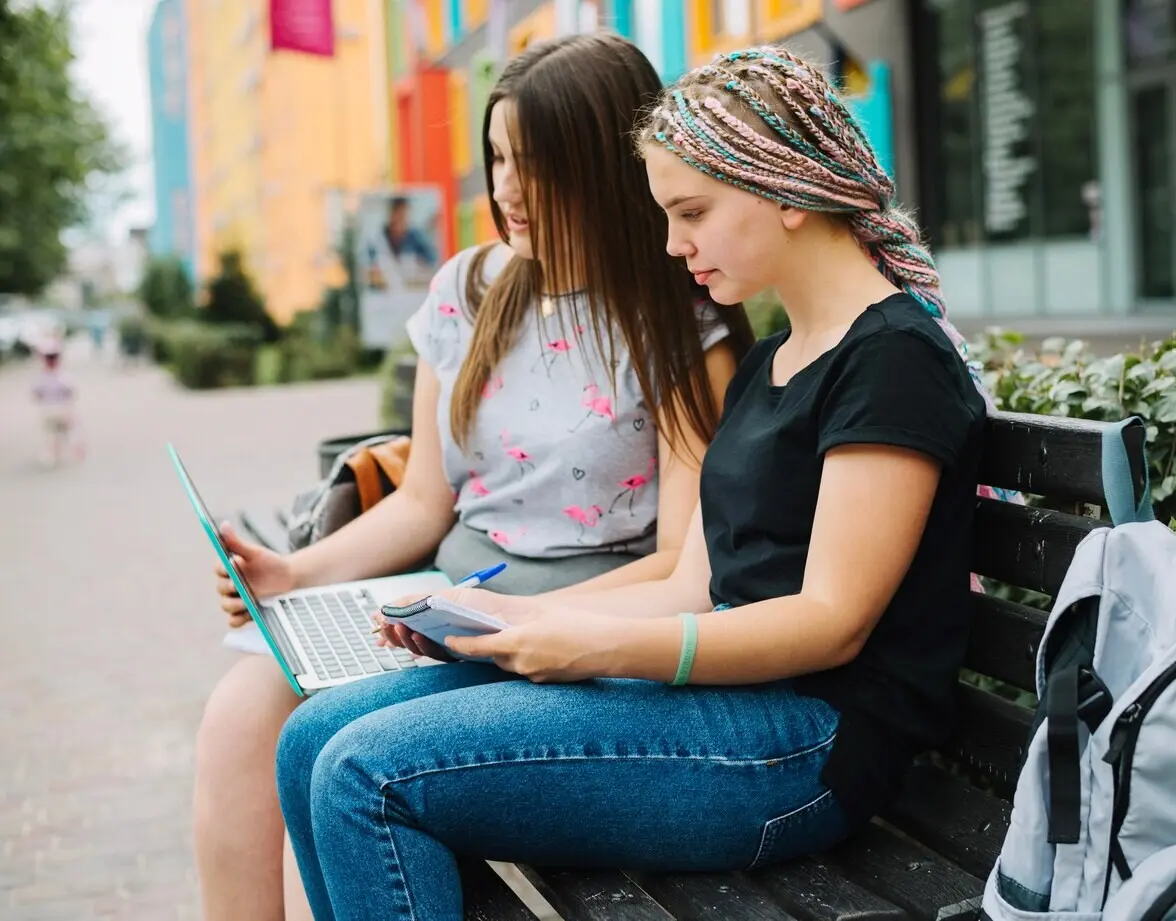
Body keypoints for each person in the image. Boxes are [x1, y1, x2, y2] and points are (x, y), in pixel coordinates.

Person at [274, 45, 1002, 921]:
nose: (671, 243)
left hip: (804, 747)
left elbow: (831, 623)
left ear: (787, 189)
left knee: (365, 775)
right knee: (308, 737)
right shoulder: (776, 360)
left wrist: (593, 647)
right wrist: (509, 622)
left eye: (692, 211)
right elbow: (694, 583)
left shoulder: (891, 361)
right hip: (728, 703)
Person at [191, 33, 753, 921]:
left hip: (578, 623)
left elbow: (684, 561)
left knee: (335, 748)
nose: (507, 189)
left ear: (609, 167)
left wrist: (519, 620)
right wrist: (293, 574)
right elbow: (424, 499)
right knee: (238, 714)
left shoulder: (679, 324)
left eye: (536, 164)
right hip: (444, 597)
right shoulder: (468, 289)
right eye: (496, 157)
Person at [364, 196, 440, 291]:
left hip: (412, 291)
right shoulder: (376, 239)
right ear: (390, 214)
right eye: (397, 213)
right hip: (384, 294)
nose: (400, 219)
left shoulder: (417, 237)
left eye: (404, 215)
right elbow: (367, 270)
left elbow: (433, 262)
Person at [31, 340, 84, 466]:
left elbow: (36, 393)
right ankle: (74, 449)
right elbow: (71, 391)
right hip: (63, 408)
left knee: (51, 433)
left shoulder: (40, 376)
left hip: (47, 409)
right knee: (71, 429)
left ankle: (52, 454)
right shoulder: (63, 375)